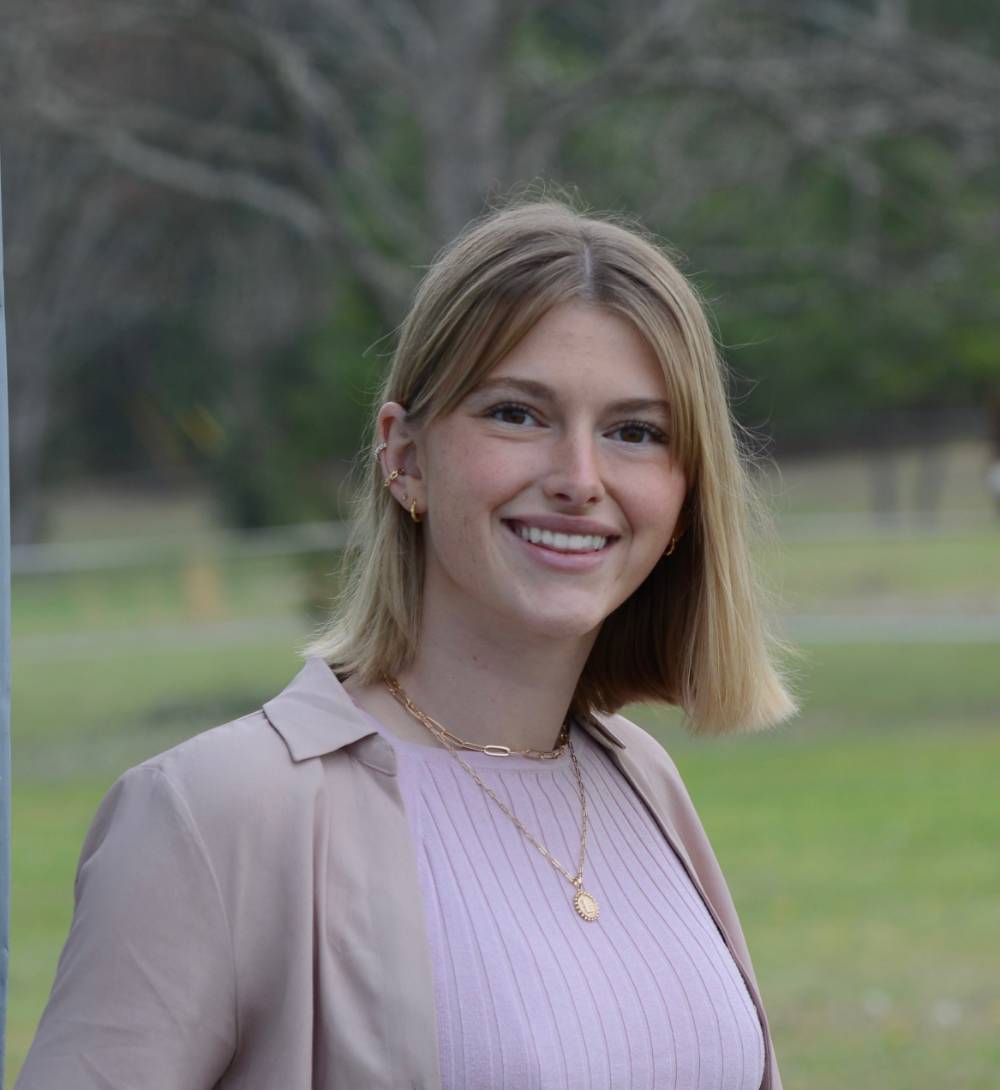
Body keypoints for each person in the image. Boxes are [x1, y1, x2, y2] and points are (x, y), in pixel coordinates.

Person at [16, 200, 796, 1090]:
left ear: (686, 496)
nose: (580, 480)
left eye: (635, 432)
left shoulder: (640, 781)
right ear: (405, 456)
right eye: (517, 414)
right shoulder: (213, 815)